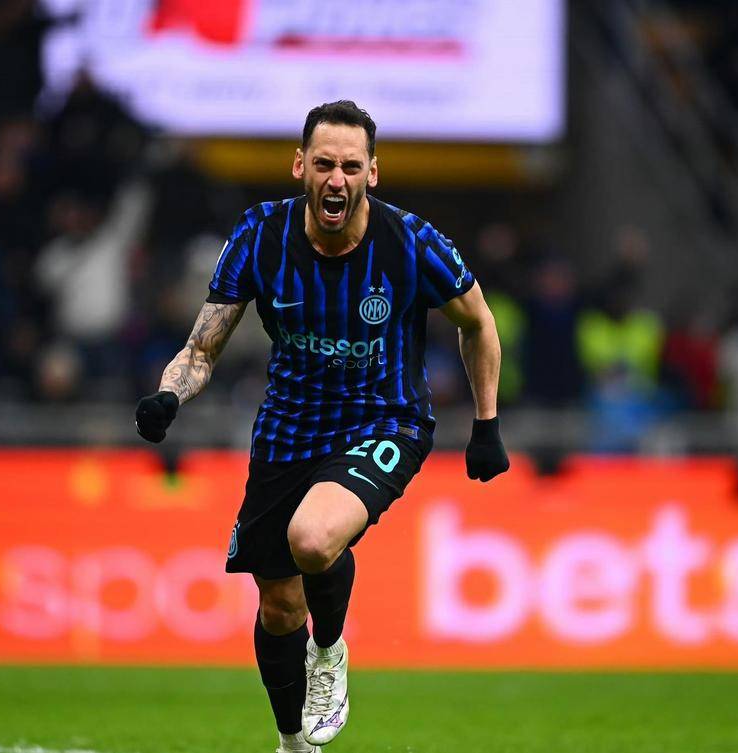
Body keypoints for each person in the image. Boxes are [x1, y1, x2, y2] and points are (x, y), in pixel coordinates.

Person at [134, 101, 509, 752]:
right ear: (300, 165)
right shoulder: (260, 235)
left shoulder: (411, 242)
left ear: (372, 174)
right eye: (326, 163)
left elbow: (477, 320)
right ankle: (293, 743)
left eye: (352, 167)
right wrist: (170, 396)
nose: (338, 179)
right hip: (288, 429)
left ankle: (330, 651)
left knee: (312, 539)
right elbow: (202, 348)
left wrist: (486, 422)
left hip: (384, 421)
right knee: (279, 605)